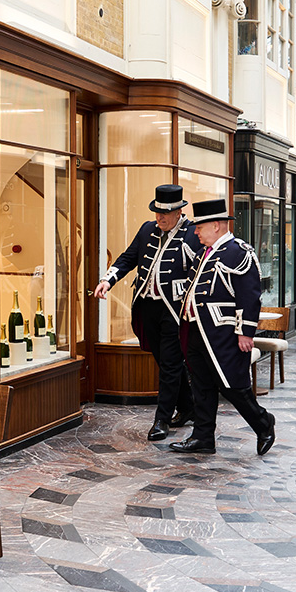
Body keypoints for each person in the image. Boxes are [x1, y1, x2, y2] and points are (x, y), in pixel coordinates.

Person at [94, 184, 201, 441]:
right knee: (164, 360)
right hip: (147, 306)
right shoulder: (147, 230)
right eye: (157, 213)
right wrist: (108, 280)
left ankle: (162, 419)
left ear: (178, 212)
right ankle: (188, 407)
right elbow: (127, 258)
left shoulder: (192, 234)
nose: (159, 218)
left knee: (170, 363)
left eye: (164, 214)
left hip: (174, 309)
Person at [171, 198, 276, 456]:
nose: (195, 232)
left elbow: (249, 296)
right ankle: (203, 437)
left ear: (216, 226)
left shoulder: (239, 252)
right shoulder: (202, 253)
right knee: (201, 385)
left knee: (233, 386)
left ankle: (264, 425)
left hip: (224, 331)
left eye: (200, 227)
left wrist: (245, 332)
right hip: (196, 330)